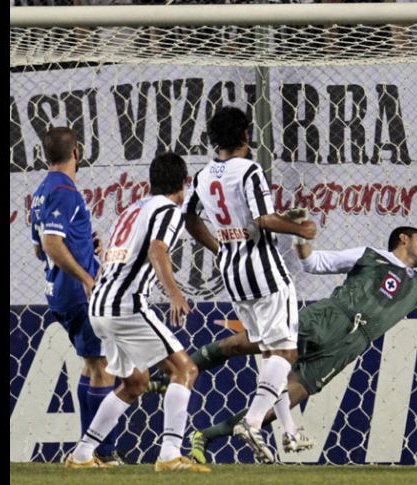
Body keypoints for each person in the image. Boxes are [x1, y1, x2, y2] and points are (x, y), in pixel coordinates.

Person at [150, 217, 417, 465]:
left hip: (348, 348)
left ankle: (205, 436)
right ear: (404, 239)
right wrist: (302, 240)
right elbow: (313, 263)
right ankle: (176, 375)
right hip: (328, 318)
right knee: (245, 344)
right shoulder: (370, 256)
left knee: (283, 402)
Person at [183, 107, 318, 463]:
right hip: (264, 271)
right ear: (245, 134)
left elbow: (190, 219)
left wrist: (219, 247)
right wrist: (300, 229)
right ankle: (253, 422)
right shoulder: (250, 169)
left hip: (233, 273)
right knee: (286, 353)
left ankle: (289, 432)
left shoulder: (202, 176)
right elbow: (264, 219)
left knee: (269, 352)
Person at [64, 153, 210, 472]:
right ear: (184, 183)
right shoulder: (169, 209)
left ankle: (83, 453)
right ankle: (170, 454)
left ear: (151, 180)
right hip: (126, 305)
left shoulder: (133, 208)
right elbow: (157, 248)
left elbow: (111, 257)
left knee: (134, 383)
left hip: (100, 304)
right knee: (184, 370)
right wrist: (174, 292)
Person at [30, 127, 123, 465]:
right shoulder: (66, 191)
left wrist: (85, 246)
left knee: (91, 366)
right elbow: (52, 246)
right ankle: (105, 452)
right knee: (105, 366)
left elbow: (40, 248)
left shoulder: (42, 191)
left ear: (45, 155)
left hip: (58, 291)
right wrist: (87, 276)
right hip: (77, 291)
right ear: (77, 153)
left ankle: (90, 448)